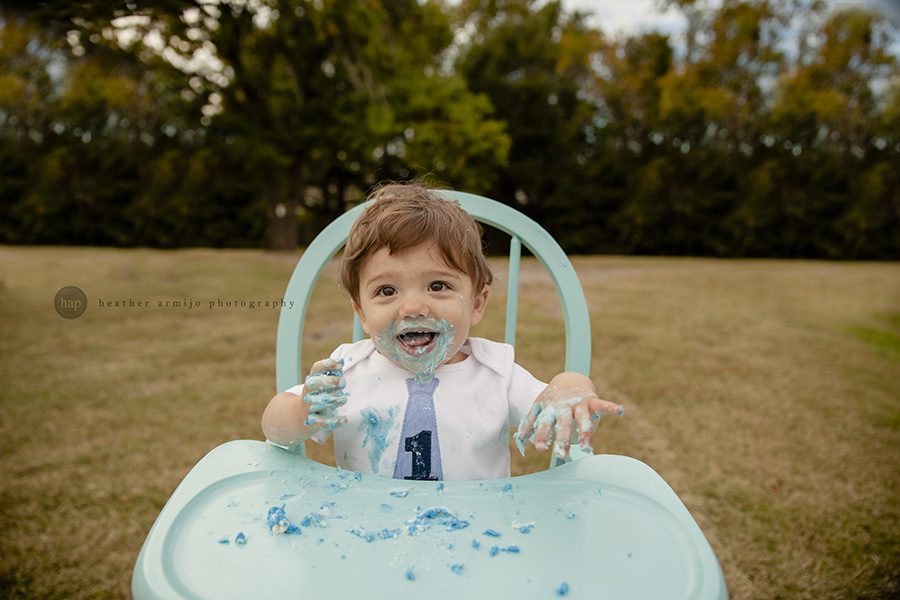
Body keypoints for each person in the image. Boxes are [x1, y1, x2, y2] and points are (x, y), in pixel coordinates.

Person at [261, 183, 623, 480]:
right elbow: (274, 426)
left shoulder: (497, 373)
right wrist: (303, 411)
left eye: (437, 286)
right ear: (362, 313)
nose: (413, 307)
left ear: (477, 303)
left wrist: (571, 388)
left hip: (479, 534)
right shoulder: (345, 372)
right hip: (368, 535)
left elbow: (555, 407)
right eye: (386, 291)